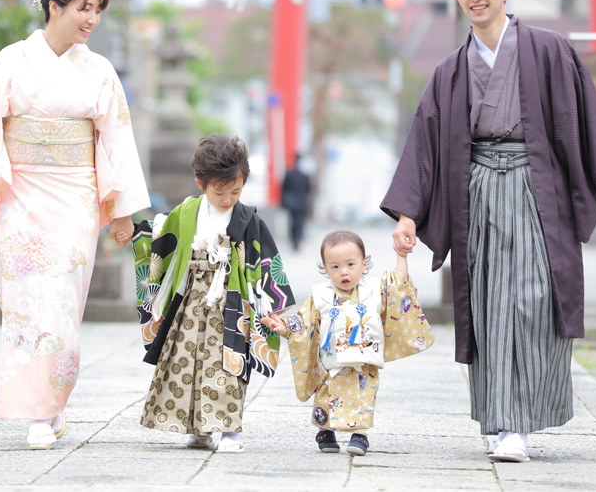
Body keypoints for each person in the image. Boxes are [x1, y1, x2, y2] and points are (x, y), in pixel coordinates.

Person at [380, 0, 596, 463]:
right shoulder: (451, 70)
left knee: (537, 300)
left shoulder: (548, 50)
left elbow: (583, 116)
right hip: (478, 193)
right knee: (492, 304)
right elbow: (425, 145)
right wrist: (408, 214)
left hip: (538, 188)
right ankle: (504, 425)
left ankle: (527, 414)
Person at [0, 0, 150, 450]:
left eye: (98, 10)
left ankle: (49, 405)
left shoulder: (99, 71)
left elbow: (117, 140)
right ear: (54, 6)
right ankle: (38, 409)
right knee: (24, 301)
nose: (92, 20)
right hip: (20, 193)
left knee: (61, 300)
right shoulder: (10, 62)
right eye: (84, 8)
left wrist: (121, 209)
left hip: (76, 197)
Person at [112, 135, 295, 452]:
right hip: (191, 301)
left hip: (231, 302)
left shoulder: (248, 219)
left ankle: (228, 431)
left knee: (227, 365)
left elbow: (263, 262)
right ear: (201, 183)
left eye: (235, 191)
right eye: (219, 191)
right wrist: (134, 233)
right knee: (187, 362)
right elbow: (162, 240)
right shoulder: (186, 213)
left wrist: (271, 307)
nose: (227, 199)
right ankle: (197, 428)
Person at [261, 231, 434, 456]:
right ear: (325, 268)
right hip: (330, 361)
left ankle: (360, 434)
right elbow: (305, 322)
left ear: (364, 264)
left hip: (364, 361)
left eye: (350, 264)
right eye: (335, 267)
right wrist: (285, 327)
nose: (343, 271)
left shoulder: (375, 290)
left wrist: (401, 256)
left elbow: (398, 287)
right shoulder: (320, 295)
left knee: (363, 395)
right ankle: (325, 430)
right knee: (326, 394)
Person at [281, 154, 312, 251]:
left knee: (292, 222)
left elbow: (284, 188)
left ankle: (293, 240)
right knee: (300, 222)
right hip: (302, 202)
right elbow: (308, 189)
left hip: (291, 203)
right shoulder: (305, 175)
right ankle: (298, 239)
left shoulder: (289, 173)